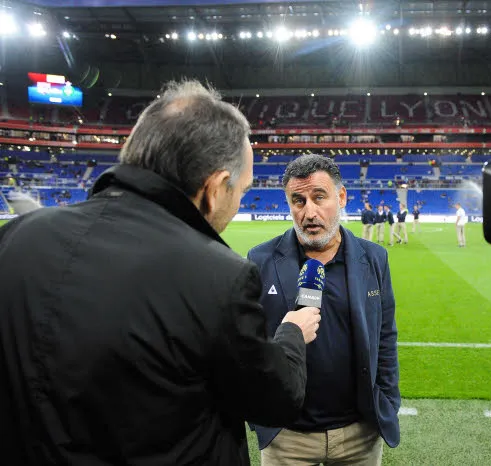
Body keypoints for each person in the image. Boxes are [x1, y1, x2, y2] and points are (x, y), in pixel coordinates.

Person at [0, 80, 322, 466]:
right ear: (215, 187)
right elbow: (274, 400)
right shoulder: (219, 276)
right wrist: (290, 333)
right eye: (242, 191)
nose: (239, 203)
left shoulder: (16, 238)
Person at [247, 154, 400, 465]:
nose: (309, 212)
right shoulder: (260, 259)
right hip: (287, 438)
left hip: (359, 435)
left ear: (341, 197)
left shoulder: (374, 258)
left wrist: (386, 401)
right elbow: (249, 345)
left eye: (319, 197)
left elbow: (385, 337)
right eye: (298, 200)